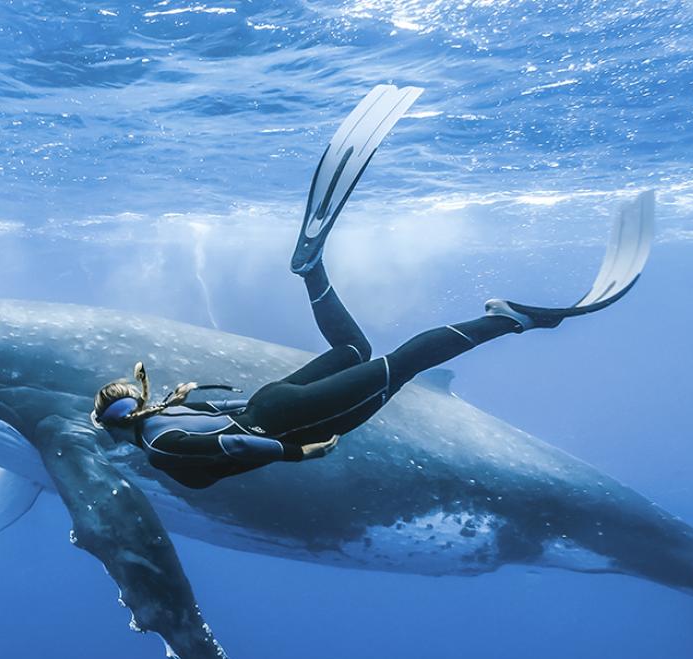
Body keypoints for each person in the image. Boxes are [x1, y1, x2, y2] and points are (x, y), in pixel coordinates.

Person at [92, 85, 654, 490]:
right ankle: (311, 270)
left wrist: (298, 452)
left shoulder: (159, 447)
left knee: (404, 360)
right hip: (271, 400)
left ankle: (512, 318)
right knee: (352, 351)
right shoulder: (167, 410)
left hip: (296, 419)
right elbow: (231, 412)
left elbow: (238, 444)